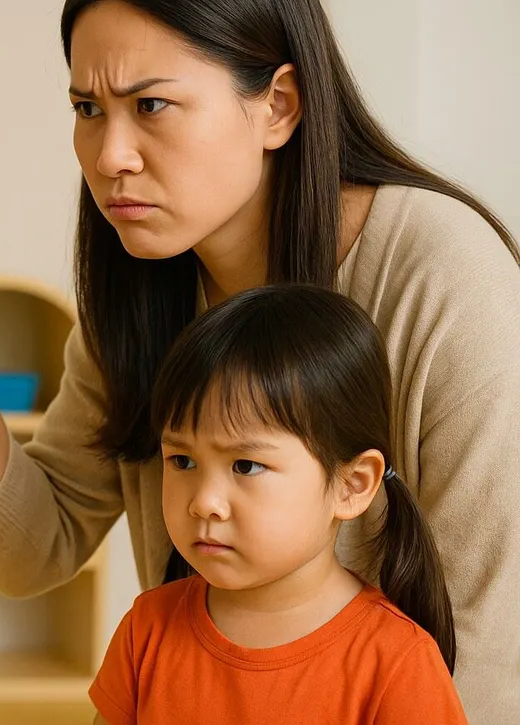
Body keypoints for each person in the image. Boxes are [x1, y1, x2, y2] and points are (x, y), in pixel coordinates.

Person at [0, 0, 520, 723]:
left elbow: (494, 644)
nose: (109, 156)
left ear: (278, 105)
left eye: (151, 105)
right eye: (87, 109)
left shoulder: (444, 274)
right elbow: (35, 550)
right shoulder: (144, 287)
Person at [88, 284, 466, 724]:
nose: (204, 503)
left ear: (351, 485)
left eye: (246, 466)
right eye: (183, 460)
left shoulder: (398, 664)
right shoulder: (146, 630)